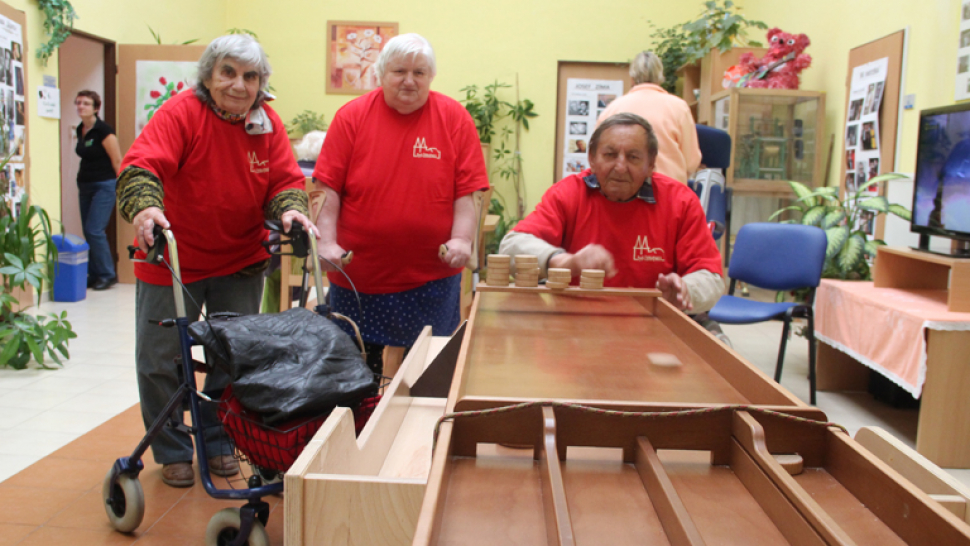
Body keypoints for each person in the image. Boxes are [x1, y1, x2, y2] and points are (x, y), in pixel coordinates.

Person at [116, 34, 315, 488]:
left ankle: (220, 439)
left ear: (262, 83)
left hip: (239, 260)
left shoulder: (268, 124)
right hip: (172, 258)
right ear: (209, 75)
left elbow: (285, 180)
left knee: (234, 358)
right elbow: (141, 166)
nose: (239, 85)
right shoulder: (181, 113)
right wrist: (146, 208)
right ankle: (171, 450)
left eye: (250, 76)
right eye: (228, 72)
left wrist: (289, 210)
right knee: (159, 359)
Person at [313, 33, 488, 374]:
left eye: (419, 72)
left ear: (431, 77)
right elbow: (327, 188)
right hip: (360, 274)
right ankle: (359, 425)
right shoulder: (351, 117)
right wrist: (326, 241)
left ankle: (418, 429)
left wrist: (463, 239)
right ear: (380, 74)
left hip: (431, 276)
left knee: (424, 372)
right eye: (399, 72)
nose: (409, 81)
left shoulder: (454, 118)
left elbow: (467, 192)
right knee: (356, 370)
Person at [500, 113, 724, 315]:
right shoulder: (568, 194)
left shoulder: (680, 202)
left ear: (651, 164)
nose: (620, 166)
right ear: (592, 159)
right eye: (610, 154)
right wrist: (564, 261)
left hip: (652, 323)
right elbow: (510, 247)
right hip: (574, 324)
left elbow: (711, 277)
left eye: (633, 157)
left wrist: (686, 290)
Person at [597, 51, 701, 184]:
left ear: (632, 78)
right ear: (660, 77)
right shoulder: (679, 107)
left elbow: (598, 156)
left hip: (624, 190)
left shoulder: (612, 109)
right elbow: (692, 161)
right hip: (668, 190)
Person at [74, 90, 122, 291]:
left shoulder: (104, 131)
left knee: (95, 229)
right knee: (88, 230)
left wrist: (122, 187)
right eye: (78, 103)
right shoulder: (81, 129)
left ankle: (107, 274)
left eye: (85, 103)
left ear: (96, 108)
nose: (80, 106)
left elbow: (118, 160)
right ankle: (94, 274)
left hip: (104, 185)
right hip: (85, 185)